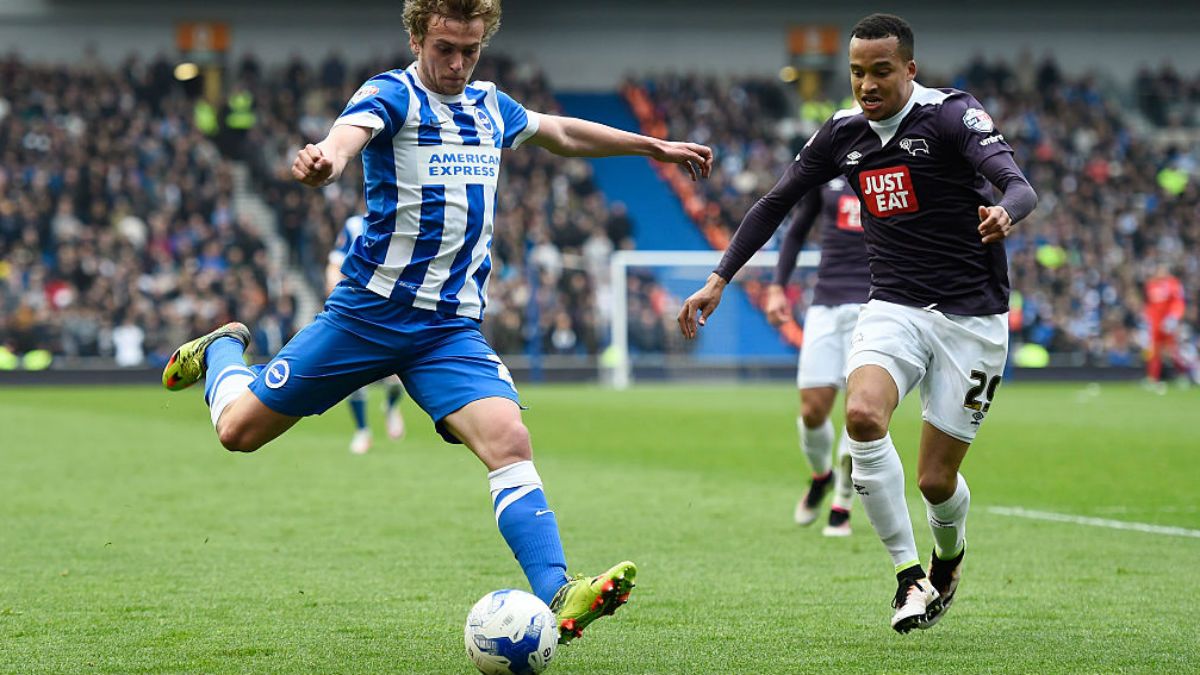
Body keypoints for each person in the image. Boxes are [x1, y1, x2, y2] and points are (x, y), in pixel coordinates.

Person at [161, 0, 712, 645]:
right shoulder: (390, 94)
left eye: (470, 50)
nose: (456, 64)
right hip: (367, 314)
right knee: (238, 432)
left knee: (509, 440)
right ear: (418, 36)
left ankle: (559, 591)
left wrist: (654, 147)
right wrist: (325, 163)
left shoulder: (490, 106)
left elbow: (561, 133)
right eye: (445, 48)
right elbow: (346, 140)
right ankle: (226, 349)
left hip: (448, 330)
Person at [678, 13, 1036, 633]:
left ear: (910, 70)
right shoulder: (842, 134)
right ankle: (908, 578)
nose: (866, 85)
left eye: (880, 71)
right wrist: (720, 278)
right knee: (863, 415)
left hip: (971, 319)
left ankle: (948, 558)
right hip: (892, 306)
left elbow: (1019, 185)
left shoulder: (952, 117)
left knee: (934, 480)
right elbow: (775, 202)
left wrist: (1005, 213)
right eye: (856, 72)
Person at [764, 177, 869, 537]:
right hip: (826, 302)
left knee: (861, 409)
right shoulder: (832, 162)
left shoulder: (902, 162)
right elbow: (796, 230)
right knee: (811, 412)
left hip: (879, 304)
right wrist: (778, 286)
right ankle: (822, 476)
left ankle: (843, 500)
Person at [326, 213, 407, 454]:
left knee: (398, 378)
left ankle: (390, 407)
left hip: (393, 311)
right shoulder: (354, 225)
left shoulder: (405, 222)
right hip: (359, 310)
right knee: (353, 378)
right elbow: (334, 265)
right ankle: (363, 431)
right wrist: (337, 300)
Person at [1143, 263, 1189, 388]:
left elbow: (1178, 302)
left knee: (1172, 350)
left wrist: (1174, 317)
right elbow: (1149, 305)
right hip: (1155, 324)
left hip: (1168, 323)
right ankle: (1152, 378)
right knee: (1154, 351)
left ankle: (1182, 375)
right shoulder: (1151, 285)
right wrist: (1148, 319)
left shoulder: (1173, 284)